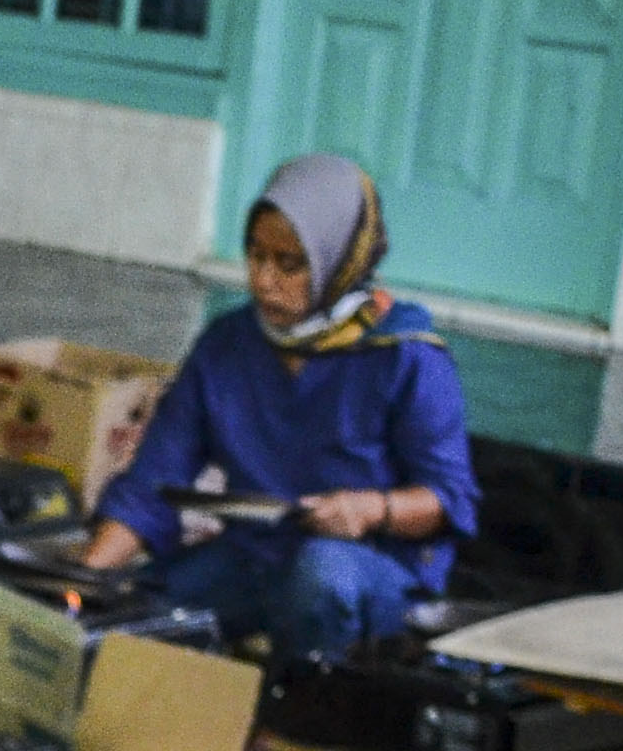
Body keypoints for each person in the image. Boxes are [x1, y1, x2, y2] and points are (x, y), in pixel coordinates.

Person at [77, 154, 475, 662]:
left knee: (319, 577)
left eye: (290, 264)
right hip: (256, 556)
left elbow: (447, 498)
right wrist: (81, 583)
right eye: (255, 255)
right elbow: (152, 482)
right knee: (141, 612)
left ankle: (312, 705)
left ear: (339, 261)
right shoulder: (228, 346)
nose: (264, 281)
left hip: (369, 568)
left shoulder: (407, 356)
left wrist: (370, 509)